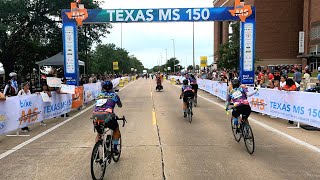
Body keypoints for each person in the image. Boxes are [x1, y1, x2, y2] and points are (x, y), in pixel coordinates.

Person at [93, 81, 122, 154]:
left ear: (102, 88)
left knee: (99, 134)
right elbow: (120, 105)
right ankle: (115, 148)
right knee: (116, 130)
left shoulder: (99, 95)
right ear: (112, 87)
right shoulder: (114, 95)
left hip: (96, 116)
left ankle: (96, 152)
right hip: (107, 116)